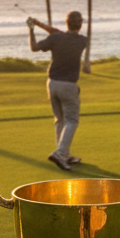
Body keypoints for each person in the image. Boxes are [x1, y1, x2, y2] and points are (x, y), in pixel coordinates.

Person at [28, 9, 88, 171]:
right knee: (72, 120)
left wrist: (33, 28)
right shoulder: (83, 40)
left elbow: (34, 47)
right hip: (68, 85)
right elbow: (59, 33)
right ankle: (61, 153)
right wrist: (39, 24)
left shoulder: (56, 38)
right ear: (81, 25)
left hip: (52, 84)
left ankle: (65, 154)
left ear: (66, 22)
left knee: (59, 119)